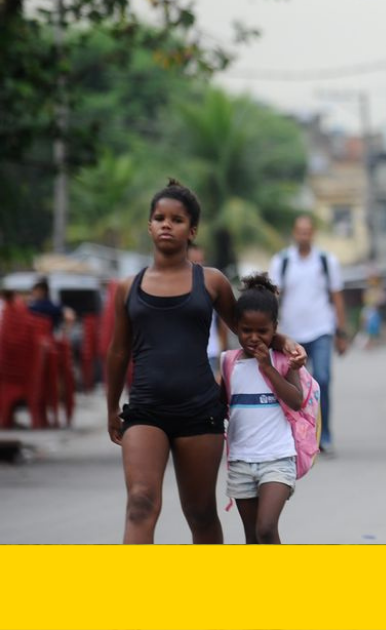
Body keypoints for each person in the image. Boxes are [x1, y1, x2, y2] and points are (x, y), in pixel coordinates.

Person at [105, 178, 305, 544]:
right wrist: (111, 408)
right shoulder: (127, 287)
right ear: (149, 225)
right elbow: (118, 351)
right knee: (140, 502)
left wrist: (285, 340)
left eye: (177, 219)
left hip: (199, 412)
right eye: (159, 217)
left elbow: (248, 331)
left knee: (199, 512)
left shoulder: (210, 282)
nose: (167, 224)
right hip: (145, 409)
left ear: (192, 230)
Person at [220, 274, 303, 544]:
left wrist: (267, 368)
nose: (254, 338)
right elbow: (221, 405)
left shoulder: (282, 360)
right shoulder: (228, 363)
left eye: (263, 331)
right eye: (246, 331)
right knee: (253, 537)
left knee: (266, 528)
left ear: (275, 328)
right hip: (241, 461)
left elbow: (296, 400)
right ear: (236, 327)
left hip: (277, 459)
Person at [269, 215, 347, 454]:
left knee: (322, 379)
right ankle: (296, 435)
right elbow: (273, 297)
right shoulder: (282, 261)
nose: (304, 235)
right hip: (291, 334)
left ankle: (324, 435)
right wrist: (271, 332)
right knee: (293, 388)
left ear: (313, 233)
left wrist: (341, 332)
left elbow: (336, 297)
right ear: (294, 233)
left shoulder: (326, 261)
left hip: (321, 329)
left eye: (308, 231)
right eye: (299, 231)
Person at [188, 245, 227, 376]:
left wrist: (222, 354)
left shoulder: (212, 286)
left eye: (201, 261)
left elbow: (222, 323)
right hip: (187, 357)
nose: (198, 266)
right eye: (194, 262)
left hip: (211, 355)